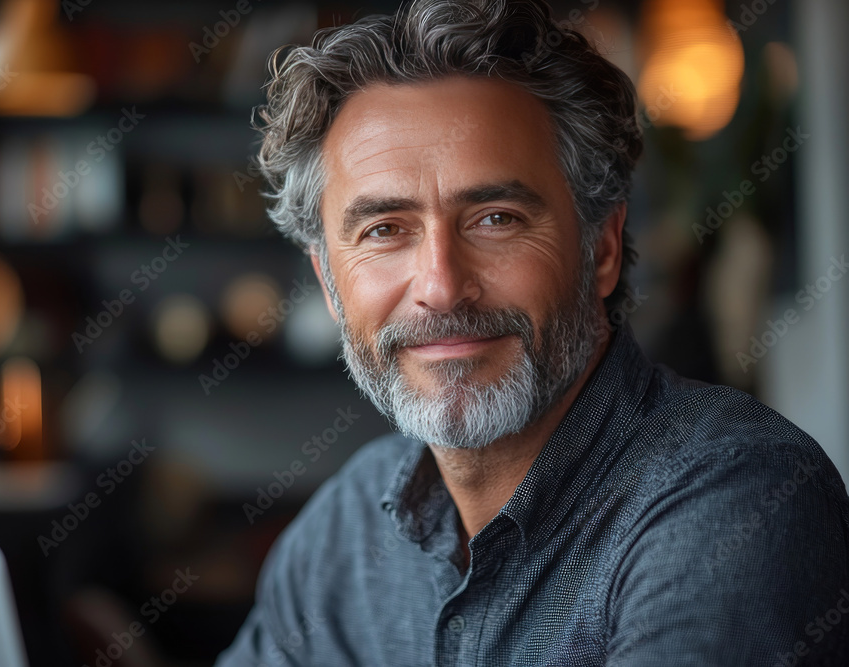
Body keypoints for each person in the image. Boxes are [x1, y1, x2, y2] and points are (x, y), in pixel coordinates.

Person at [215, 0, 849, 664]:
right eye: (384, 230)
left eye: (495, 218)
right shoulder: (343, 534)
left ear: (601, 247)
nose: (441, 285)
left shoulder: (736, 498)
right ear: (328, 283)